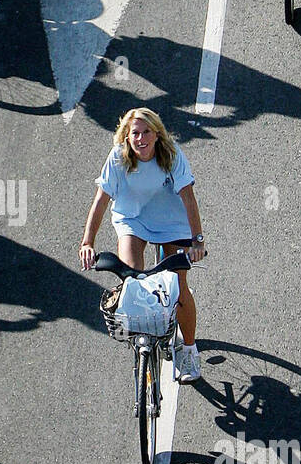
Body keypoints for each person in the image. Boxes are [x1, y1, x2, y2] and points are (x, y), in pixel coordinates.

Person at [79, 108, 208, 382]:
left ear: (156, 133)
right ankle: (145, 345)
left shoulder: (171, 154)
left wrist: (197, 240)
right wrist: (87, 241)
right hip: (133, 220)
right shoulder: (117, 158)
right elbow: (101, 200)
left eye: (146, 132)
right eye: (135, 133)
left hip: (171, 222)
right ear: (127, 136)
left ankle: (188, 350)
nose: (140, 139)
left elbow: (188, 198)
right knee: (133, 281)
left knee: (177, 286)